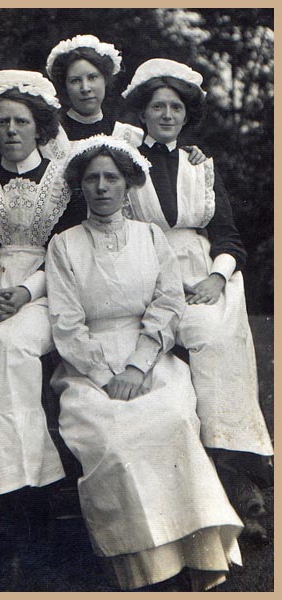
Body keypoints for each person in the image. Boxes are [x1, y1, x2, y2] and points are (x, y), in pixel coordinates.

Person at [45, 135, 244, 592]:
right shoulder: (64, 245)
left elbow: (168, 302)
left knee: (172, 421)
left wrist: (137, 366)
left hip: (151, 357)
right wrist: (103, 375)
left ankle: (196, 555)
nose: (101, 187)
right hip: (87, 370)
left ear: (128, 184)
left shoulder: (151, 235)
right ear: (80, 187)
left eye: (111, 178)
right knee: (115, 440)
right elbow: (66, 321)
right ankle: (146, 571)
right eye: (92, 179)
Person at [121, 58, 274, 539]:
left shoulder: (199, 165)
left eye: (175, 107)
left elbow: (228, 237)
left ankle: (239, 475)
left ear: (186, 116)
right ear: (142, 113)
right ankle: (189, 495)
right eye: (157, 106)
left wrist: (216, 276)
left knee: (213, 341)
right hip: (144, 270)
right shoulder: (125, 161)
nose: (166, 114)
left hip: (199, 272)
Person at [0, 70, 83, 558]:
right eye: (2, 121)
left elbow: (65, 250)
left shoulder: (61, 181)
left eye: (21, 121)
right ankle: (11, 493)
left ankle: (19, 488)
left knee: (11, 347)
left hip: (50, 288)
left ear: (39, 127)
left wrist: (27, 292)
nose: (10, 130)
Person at [0, 35, 205, 175]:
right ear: (65, 86)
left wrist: (190, 154)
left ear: (105, 80)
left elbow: (164, 159)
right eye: (76, 81)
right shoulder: (45, 135)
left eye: (93, 78)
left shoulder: (130, 136)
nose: (85, 88)